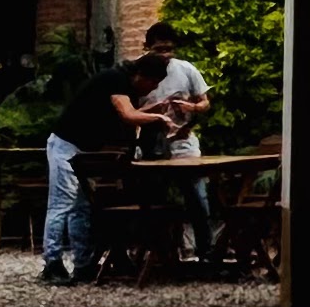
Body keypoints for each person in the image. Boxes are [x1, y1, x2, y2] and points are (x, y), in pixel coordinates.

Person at [43, 52, 163, 286]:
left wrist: (153, 111)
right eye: (153, 83)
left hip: (84, 149)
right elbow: (127, 115)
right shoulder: (115, 79)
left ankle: (83, 264)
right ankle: (52, 263)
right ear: (141, 76)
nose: (152, 89)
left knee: (81, 206)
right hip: (66, 144)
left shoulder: (125, 87)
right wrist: (159, 118)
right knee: (62, 204)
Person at [134, 23, 219, 263]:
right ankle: (162, 252)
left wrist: (191, 107)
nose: (166, 55)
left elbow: (205, 103)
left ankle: (206, 250)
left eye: (169, 49)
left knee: (197, 196)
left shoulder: (186, 69)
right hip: (153, 140)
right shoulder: (140, 71)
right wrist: (154, 113)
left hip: (183, 139)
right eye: (160, 49)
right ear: (148, 48)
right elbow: (130, 110)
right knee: (155, 198)